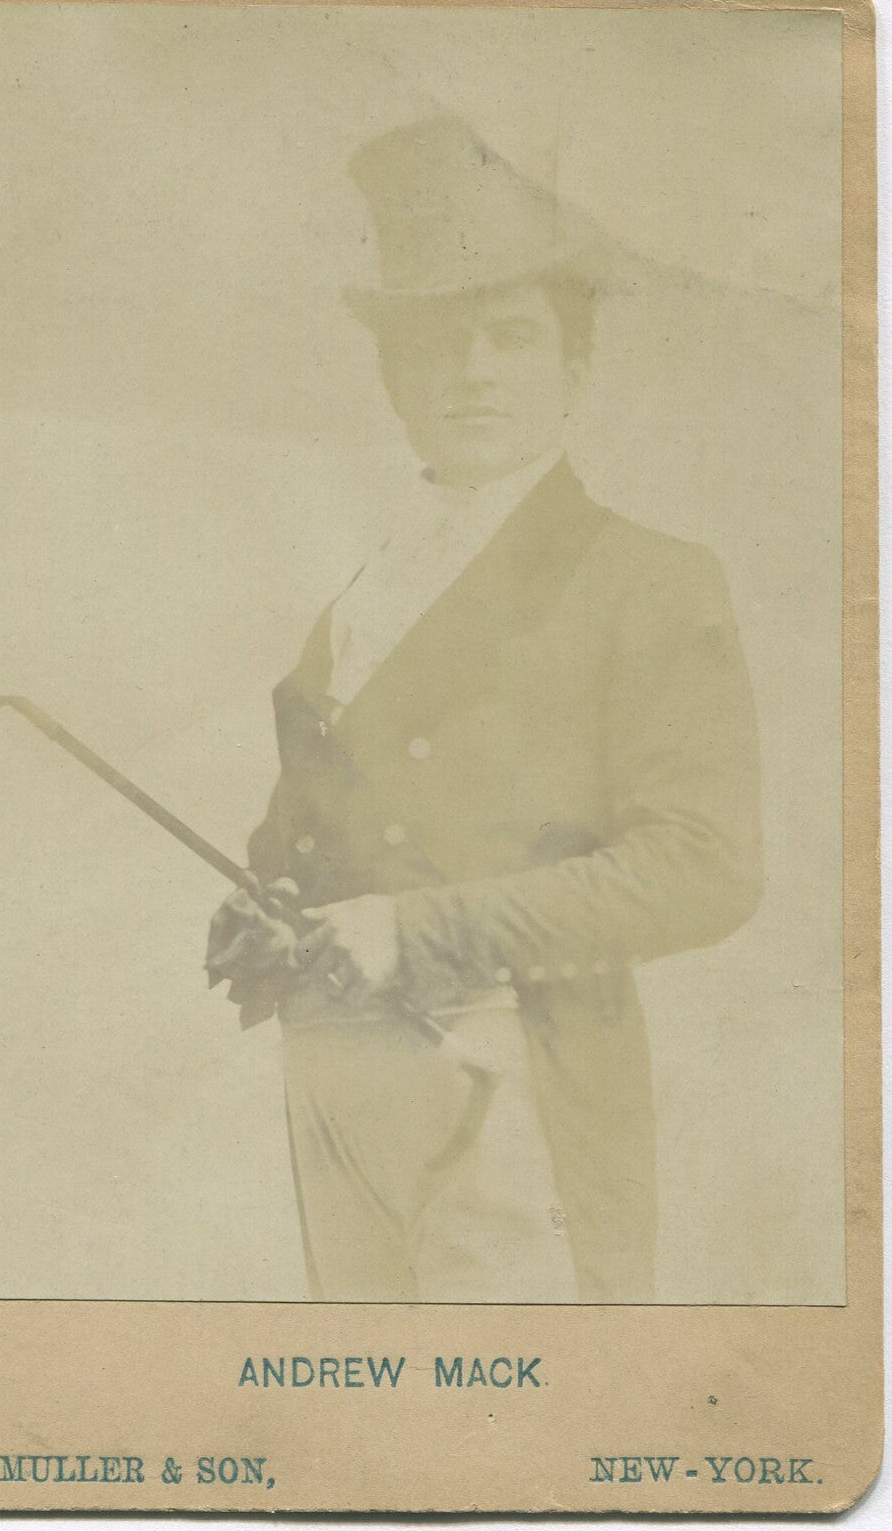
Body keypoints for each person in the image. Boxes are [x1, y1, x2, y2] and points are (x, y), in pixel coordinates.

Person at [206, 115, 762, 1304]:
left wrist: (413, 930)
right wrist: (269, 905)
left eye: (510, 338)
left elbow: (705, 867)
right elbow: (306, 842)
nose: (472, 373)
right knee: (372, 1437)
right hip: (334, 1076)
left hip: (517, 1076)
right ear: (392, 376)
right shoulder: (359, 599)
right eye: (436, 342)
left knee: (514, 1434)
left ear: (572, 369)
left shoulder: (651, 578)